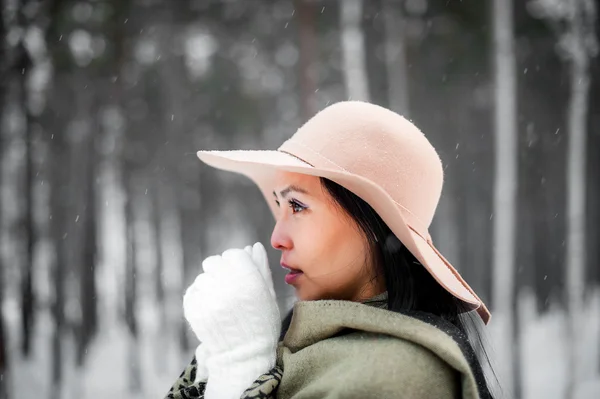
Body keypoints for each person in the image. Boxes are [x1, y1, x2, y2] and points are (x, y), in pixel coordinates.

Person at [166, 101, 498, 399]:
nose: (276, 237)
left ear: (372, 222)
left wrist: (240, 369)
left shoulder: (396, 375)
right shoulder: (303, 347)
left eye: (297, 206)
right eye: (279, 206)